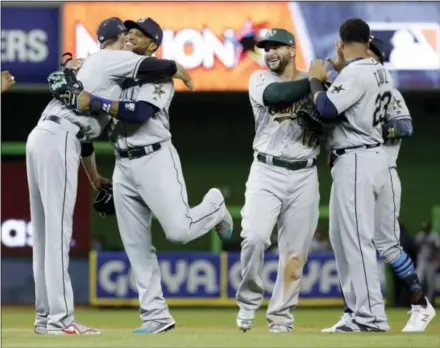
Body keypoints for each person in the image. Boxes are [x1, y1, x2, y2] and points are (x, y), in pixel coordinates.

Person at [58, 17, 233, 334]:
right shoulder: (112, 70)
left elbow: (138, 113)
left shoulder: (160, 77)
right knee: (136, 246)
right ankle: (156, 316)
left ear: (152, 45)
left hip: (155, 158)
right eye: (127, 33)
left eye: (138, 35)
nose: (129, 37)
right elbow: (84, 116)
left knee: (178, 231)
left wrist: (94, 97)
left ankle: (215, 206)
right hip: (123, 165)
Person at [31, 17, 188, 335]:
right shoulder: (117, 59)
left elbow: (86, 140)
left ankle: (45, 316)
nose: (129, 38)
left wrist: (94, 178)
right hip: (61, 137)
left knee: (44, 235)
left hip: (43, 135)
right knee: (59, 234)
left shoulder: (95, 65)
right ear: (116, 39)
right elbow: (161, 67)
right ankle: (61, 320)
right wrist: (178, 69)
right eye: (126, 35)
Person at [321, 36, 436, 333]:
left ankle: (415, 304)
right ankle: (358, 309)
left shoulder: (388, 90)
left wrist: (371, 128)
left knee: (381, 245)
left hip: (382, 170)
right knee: (349, 241)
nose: (360, 57)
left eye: (368, 53)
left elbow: (405, 125)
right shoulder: (355, 84)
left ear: (376, 58)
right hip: (363, 169)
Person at [307, 18, 397, 332]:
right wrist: (337, 73)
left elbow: (327, 110)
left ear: (341, 43)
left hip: (358, 157)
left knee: (357, 240)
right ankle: (353, 310)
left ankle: (371, 316)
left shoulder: (357, 72)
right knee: (340, 239)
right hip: (366, 156)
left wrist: (316, 80)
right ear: (367, 40)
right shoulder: (379, 70)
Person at [233, 27, 321, 333]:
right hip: (266, 170)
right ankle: (247, 301)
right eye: (266, 48)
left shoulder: (315, 83)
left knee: (295, 253)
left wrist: (324, 86)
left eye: (277, 47)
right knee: (254, 238)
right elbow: (277, 96)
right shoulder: (260, 79)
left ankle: (281, 318)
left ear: (292, 50)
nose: (270, 52)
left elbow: (333, 111)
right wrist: (316, 80)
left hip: (305, 172)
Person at [415, 221, 440, 304]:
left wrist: (437, 261)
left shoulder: (434, 236)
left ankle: (429, 301)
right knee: (419, 279)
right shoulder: (420, 235)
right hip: (422, 261)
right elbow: (416, 247)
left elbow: (438, 249)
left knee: (430, 282)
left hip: (431, 262)